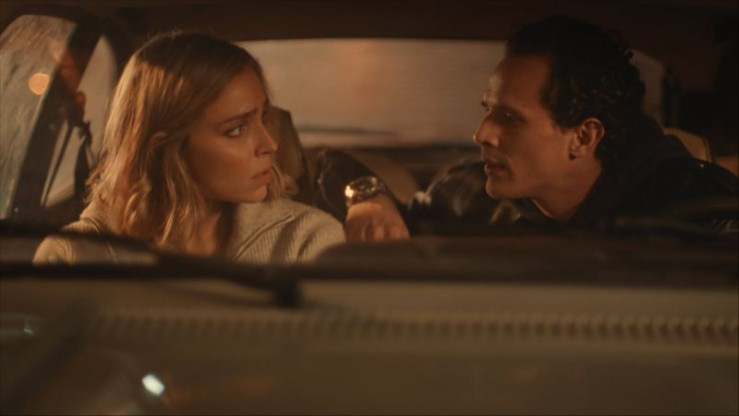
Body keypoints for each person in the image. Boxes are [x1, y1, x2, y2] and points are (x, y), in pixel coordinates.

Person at [316, 15, 737, 241]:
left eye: (510, 117)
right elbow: (332, 167)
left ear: (584, 136)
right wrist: (368, 196)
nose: (482, 133)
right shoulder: (476, 195)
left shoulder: (701, 216)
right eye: (488, 110)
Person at [34, 32, 344, 264]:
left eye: (264, 117)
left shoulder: (308, 240)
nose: (270, 144)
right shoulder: (71, 255)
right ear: (167, 148)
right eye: (237, 129)